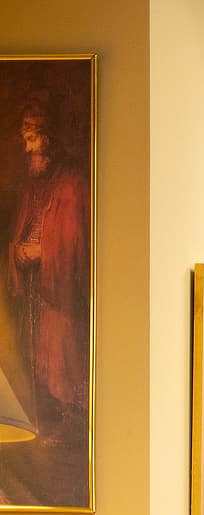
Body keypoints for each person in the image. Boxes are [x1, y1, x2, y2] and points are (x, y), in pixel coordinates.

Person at [6, 98, 88, 446]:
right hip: (36, 294)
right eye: (25, 140)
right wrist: (18, 251)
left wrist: (43, 251)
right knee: (35, 363)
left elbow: (76, 247)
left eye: (33, 138)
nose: (28, 148)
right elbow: (22, 234)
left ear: (50, 139)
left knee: (63, 365)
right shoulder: (32, 190)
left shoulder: (72, 186)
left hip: (61, 302)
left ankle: (68, 426)